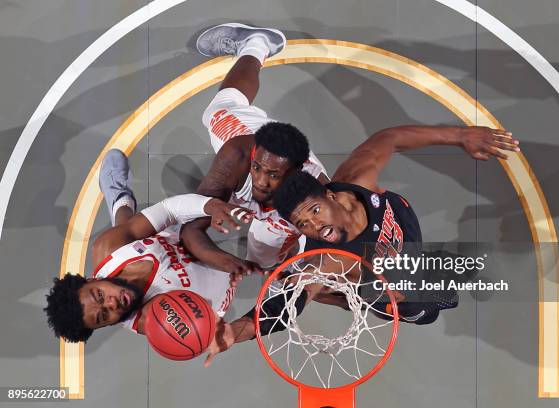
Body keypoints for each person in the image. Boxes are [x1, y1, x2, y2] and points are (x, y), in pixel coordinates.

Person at [202, 123, 519, 365]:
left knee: (436, 264)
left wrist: (460, 136)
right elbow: (284, 307)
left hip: (406, 237)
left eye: (314, 211)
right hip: (390, 290)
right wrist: (236, 331)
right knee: (428, 306)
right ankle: (348, 295)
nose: (316, 227)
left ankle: (435, 269)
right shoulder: (326, 258)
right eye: (303, 225)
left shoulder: (356, 179)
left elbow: (390, 138)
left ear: (331, 195)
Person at [44, 149, 253, 342]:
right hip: (226, 280)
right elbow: (227, 335)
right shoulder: (160, 324)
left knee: (128, 230)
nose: (111, 303)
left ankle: (119, 198)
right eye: (103, 315)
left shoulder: (107, 248)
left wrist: (211, 206)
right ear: (105, 326)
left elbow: (169, 211)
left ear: (92, 279)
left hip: (181, 239)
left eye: (99, 294)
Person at [180, 23, 328, 278]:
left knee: (264, 259)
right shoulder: (237, 155)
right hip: (247, 176)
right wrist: (227, 260)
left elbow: (334, 241)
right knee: (217, 113)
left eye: (272, 174)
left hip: (284, 218)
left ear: (294, 171)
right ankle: (258, 43)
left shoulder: (317, 195)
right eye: (257, 168)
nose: (260, 180)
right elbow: (191, 229)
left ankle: (283, 256)